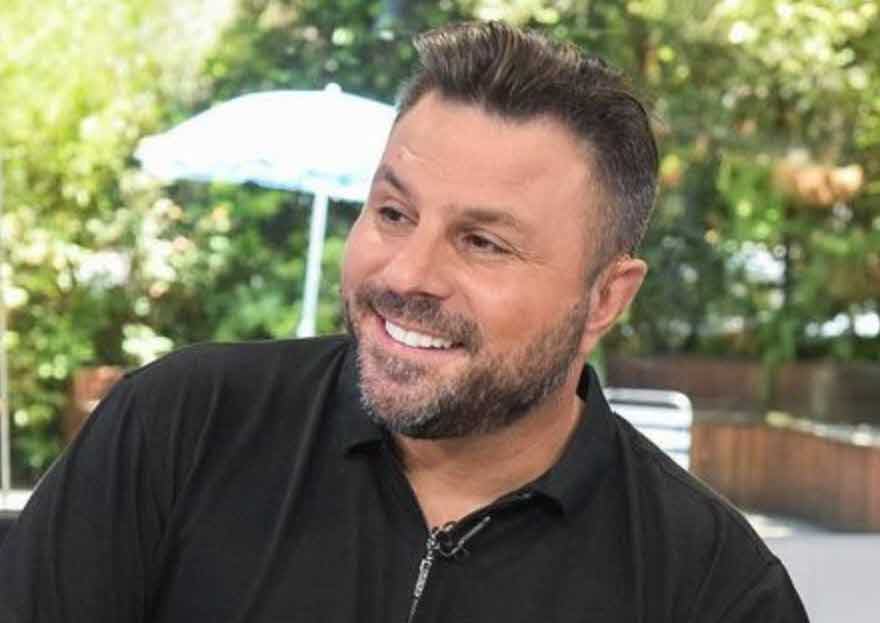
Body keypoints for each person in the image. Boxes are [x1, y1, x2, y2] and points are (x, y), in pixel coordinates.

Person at [0, 21, 808, 622]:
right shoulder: (180, 428)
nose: (406, 274)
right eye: (393, 212)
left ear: (605, 297)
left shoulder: (710, 589)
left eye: (483, 242)